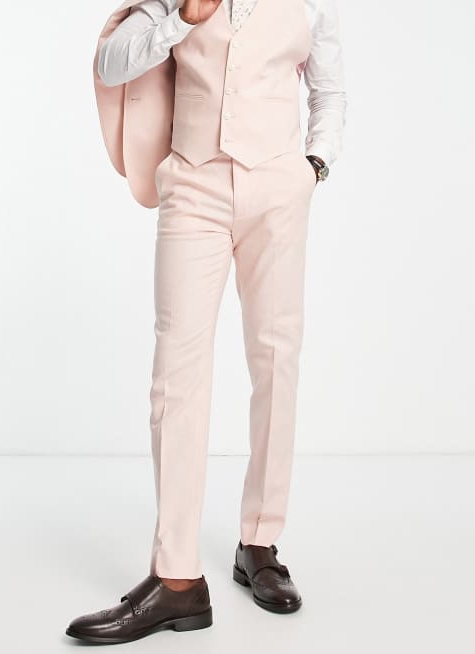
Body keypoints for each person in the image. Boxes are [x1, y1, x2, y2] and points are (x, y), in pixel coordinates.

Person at [66, 0, 347, 644]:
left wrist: (314, 165)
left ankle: (260, 543)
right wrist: (183, 21)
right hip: (194, 185)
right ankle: (177, 579)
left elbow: (329, 87)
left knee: (275, 361)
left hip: (278, 189)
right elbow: (111, 63)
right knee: (176, 376)